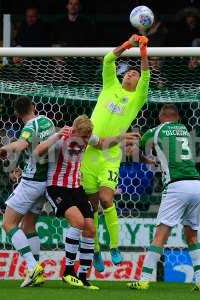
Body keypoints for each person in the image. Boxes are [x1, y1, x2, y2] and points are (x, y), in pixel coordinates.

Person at [35, 115, 139, 289]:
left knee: (90, 228)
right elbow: (38, 152)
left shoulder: (87, 137)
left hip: (76, 188)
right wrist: (57, 135)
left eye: (87, 137)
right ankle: (68, 271)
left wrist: (122, 137)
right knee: (78, 222)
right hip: (57, 188)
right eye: (83, 137)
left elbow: (104, 143)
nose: (85, 141)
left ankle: (83, 276)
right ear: (74, 131)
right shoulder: (62, 138)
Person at [80, 34, 150, 271]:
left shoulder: (136, 98)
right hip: (89, 152)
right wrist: (127, 45)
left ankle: (115, 246)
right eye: (129, 72)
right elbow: (108, 60)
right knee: (92, 206)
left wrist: (142, 52)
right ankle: (96, 250)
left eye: (135, 74)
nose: (132, 74)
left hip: (110, 155)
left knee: (107, 199)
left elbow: (147, 75)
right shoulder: (109, 85)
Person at [127, 104, 200, 292]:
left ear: (160, 117)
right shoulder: (184, 130)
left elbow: (133, 150)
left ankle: (144, 279)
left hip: (176, 185)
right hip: (197, 185)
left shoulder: (156, 130)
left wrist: (146, 159)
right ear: (177, 118)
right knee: (192, 235)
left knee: (160, 235)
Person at [0, 96, 56, 288]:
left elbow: (22, 145)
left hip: (31, 183)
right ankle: (36, 273)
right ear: (34, 106)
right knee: (29, 226)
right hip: (45, 181)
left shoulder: (29, 127)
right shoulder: (48, 121)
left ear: (16, 114)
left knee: (8, 224)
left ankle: (33, 267)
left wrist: (7, 147)